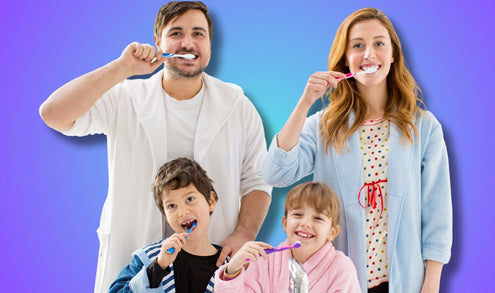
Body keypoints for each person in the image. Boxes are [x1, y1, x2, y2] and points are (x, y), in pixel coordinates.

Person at [39, 2, 271, 293]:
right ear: (158, 42)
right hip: (136, 262)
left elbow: (258, 181)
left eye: (198, 34)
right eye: (176, 33)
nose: (188, 42)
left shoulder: (237, 106)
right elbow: (53, 114)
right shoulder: (124, 98)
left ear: (210, 45)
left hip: (211, 265)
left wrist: (244, 233)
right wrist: (122, 68)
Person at [262, 7, 452, 293]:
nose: (369, 54)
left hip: (405, 281)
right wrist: (305, 103)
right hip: (337, 280)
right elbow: (276, 173)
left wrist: (431, 284)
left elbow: (437, 212)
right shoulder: (322, 126)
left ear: (393, 55)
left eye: (379, 44)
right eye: (358, 45)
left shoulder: (423, 127)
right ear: (345, 60)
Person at [213, 182, 362, 293]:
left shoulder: (341, 268)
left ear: (332, 232)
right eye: (297, 215)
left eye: (318, 218)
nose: (305, 223)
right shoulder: (265, 261)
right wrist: (232, 270)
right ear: (285, 223)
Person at [110, 158, 228, 293]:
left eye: (190, 199)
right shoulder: (149, 258)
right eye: (172, 206)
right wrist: (158, 267)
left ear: (211, 200)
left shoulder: (231, 267)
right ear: (165, 216)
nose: (182, 212)